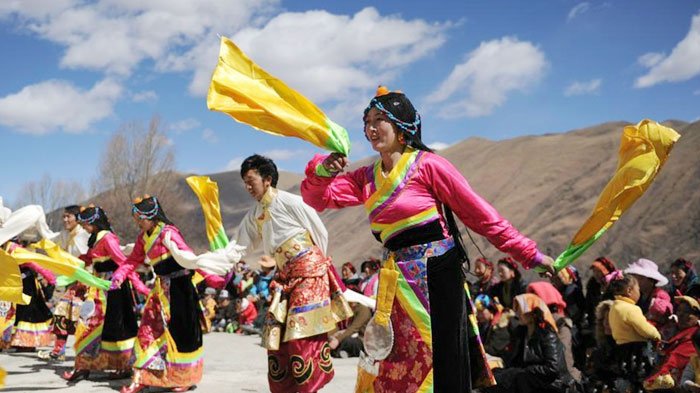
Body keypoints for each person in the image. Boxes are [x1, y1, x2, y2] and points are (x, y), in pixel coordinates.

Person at [301, 86, 555, 392]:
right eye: (367, 120)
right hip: (396, 281)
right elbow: (317, 198)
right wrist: (322, 170)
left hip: (437, 275)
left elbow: (481, 216)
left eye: (380, 118)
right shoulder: (366, 178)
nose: (371, 127)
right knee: (394, 360)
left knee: (441, 361)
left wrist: (531, 255)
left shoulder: (429, 165)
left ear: (402, 124)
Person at [234, 154, 352, 393]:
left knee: (302, 337)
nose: (248, 187)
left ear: (267, 179)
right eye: (244, 182)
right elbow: (239, 246)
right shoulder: (254, 214)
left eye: (251, 180)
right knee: (279, 344)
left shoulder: (290, 201)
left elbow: (319, 232)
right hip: (285, 279)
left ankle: (309, 388)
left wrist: (316, 266)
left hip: (309, 273)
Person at [111, 196, 242, 393]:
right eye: (135, 218)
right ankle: (140, 377)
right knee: (147, 331)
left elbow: (190, 258)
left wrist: (214, 279)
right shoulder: (143, 238)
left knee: (181, 335)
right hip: (159, 292)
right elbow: (132, 261)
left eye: (140, 218)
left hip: (180, 290)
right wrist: (120, 275)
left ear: (152, 216)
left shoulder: (168, 233)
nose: (137, 222)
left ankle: (184, 378)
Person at [62, 206, 146, 382]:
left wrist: (138, 284)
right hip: (97, 288)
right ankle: (83, 365)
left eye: (85, 223)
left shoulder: (108, 239)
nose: (83, 226)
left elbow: (123, 262)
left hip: (113, 289)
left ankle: (122, 365)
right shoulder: (96, 239)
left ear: (94, 222)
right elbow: (90, 258)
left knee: (115, 328)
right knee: (86, 324)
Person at [485, 293, 573, 393]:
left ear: (532, 313)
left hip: (550, 383)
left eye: (520, 310)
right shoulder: (521, 332)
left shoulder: (547, 335)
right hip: (528, 379)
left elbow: (553, 368)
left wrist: (525, 371)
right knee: (494, 378)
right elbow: (515, 360)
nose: (517, 313)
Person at [39, 205, 90, 361]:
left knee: (86, 318)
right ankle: (59, 350)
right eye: (64, 216)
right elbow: (49, 238)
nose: (65, 220)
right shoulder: (64, 235)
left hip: (87, 282)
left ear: (77, 218)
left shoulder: (85, 235)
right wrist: (37, 221)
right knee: (62, 313)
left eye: (69, 216)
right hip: (71, 282)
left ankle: (89, 353)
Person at [1, 240, 56, 351]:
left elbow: (33, 263)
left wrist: (50, 278)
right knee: (8, 312)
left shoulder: (14, 249)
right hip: (9, 284)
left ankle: (26, 343)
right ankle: (7, 341)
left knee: (26, 314)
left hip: (26, 285)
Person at [644, 296, 700, 390]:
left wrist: (650, 382)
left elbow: (672, 365)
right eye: (679, 311)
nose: (680, 315)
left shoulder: (694, 337)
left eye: (686, 312)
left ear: (697, 316)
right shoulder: (673, 329)